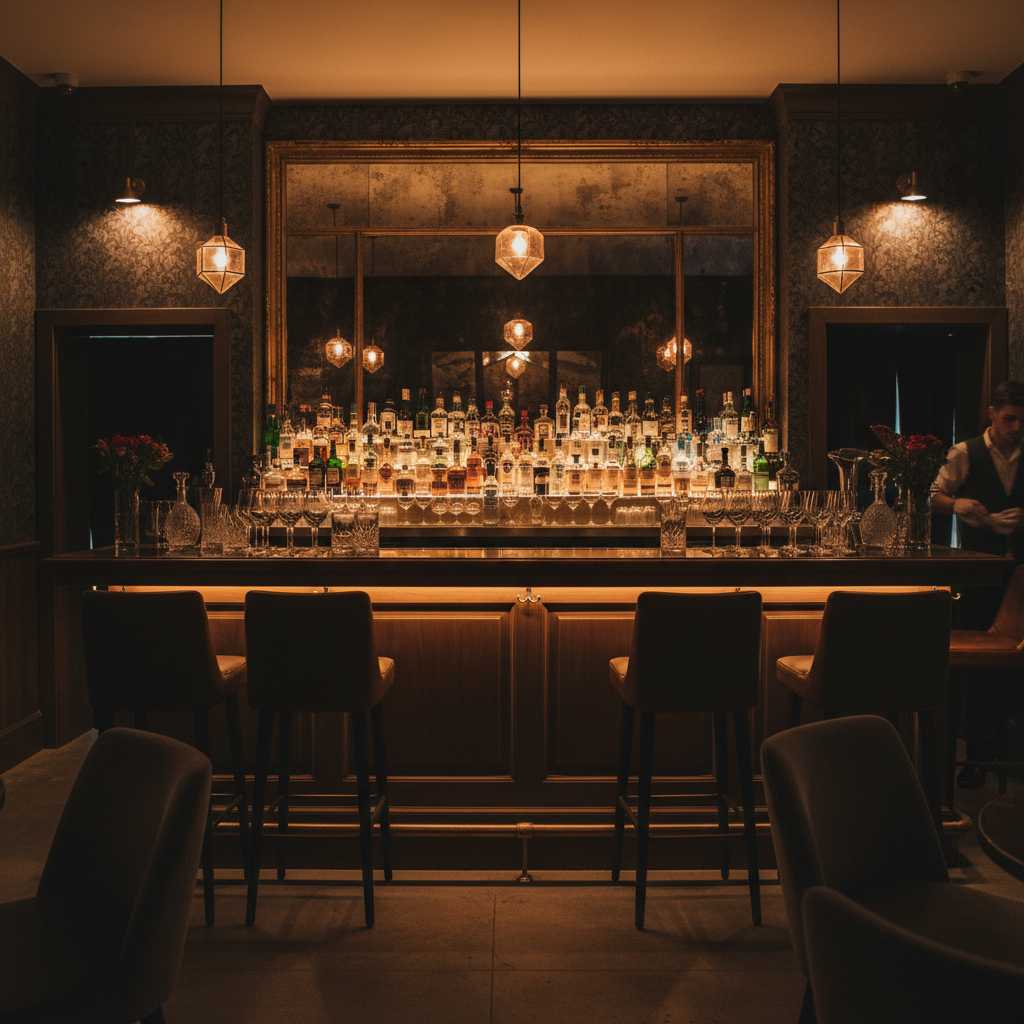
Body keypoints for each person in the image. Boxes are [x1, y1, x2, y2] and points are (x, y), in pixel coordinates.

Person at [932, 380, 1024, 788]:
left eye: (1023, 420)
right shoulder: (965, 452)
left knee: (1015, 667)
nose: (1017, 427)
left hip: (1020, 578)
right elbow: (933, 494)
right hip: (979, 573)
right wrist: (959, 505)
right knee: (977, 671)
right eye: (1010, 419)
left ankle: (1011, 756)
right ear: (992, 414)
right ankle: (978, 755)